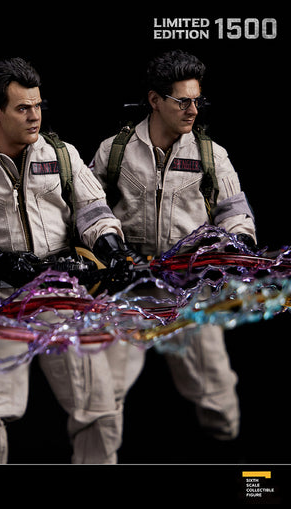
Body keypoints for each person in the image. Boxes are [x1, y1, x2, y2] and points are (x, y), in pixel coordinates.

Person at [0, 57, 138, 464]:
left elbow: (93, 210)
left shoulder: (62, 155)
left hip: (63, 295)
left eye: (38, 105)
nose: (34, 116)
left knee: (99, 408)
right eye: (22, 108)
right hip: (1, 300)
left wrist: (112, 247)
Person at [90, 49, 257, 453]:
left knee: (216, 392)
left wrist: (240, 247)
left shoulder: (210, 155)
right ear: (154, 100)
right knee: (104, 395)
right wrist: (110, 255)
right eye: (182, 101)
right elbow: (89, 210)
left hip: (188, 290)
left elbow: (235, 213)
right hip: (129, 289)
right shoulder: (115, 151)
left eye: (197, 100)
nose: (193, 110)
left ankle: (235, 464)